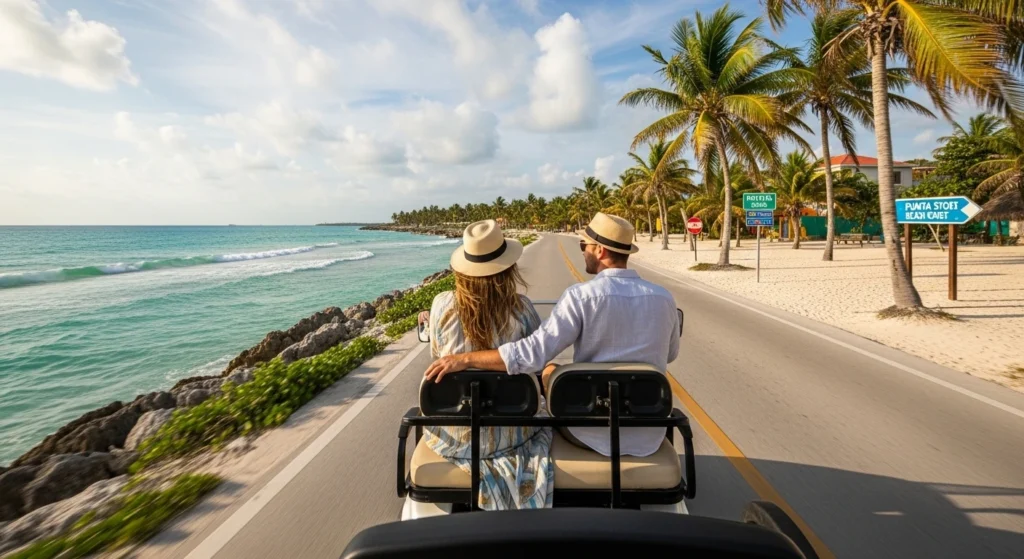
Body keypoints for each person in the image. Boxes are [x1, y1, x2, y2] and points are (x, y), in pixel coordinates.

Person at [425, 212, 680, 458]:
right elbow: (670, 354)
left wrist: (466, 359)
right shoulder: (664, 298)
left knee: (553, 374)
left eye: (583, 245)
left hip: (590, 433)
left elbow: (532, 355)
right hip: (649, 432)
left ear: (599, 250)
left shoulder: (581, 297)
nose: (582, 251)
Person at [420, 219, 553, 511]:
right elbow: (537, 360)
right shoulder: (522, 309)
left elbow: (438, 354)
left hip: (455, 438)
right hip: (514, 435)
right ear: (508, 269)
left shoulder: (441, 306)